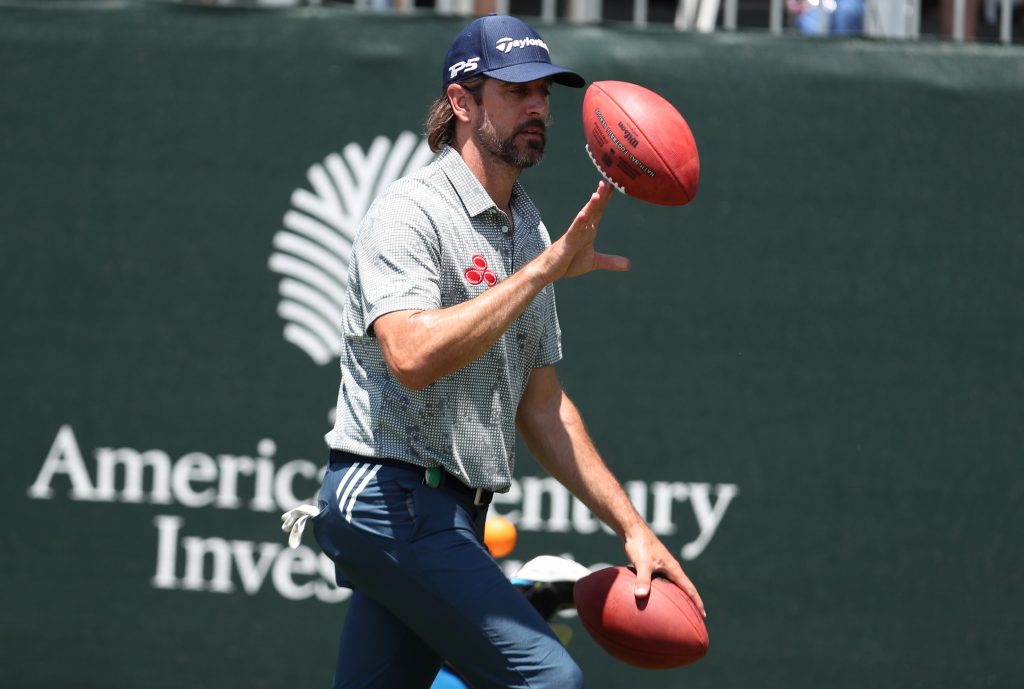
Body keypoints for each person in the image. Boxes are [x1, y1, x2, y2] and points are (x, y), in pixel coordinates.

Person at [309, 13, 705, 689]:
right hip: (387, 498)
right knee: (550, 680)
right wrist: (542, 273)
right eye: (516, 90)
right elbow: (409, 354)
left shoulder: (527, 226)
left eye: (545, 93)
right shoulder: (409, 212)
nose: (538, 107)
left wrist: (634, 529)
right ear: (461, 102)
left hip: (447, 513)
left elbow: (543, 405)